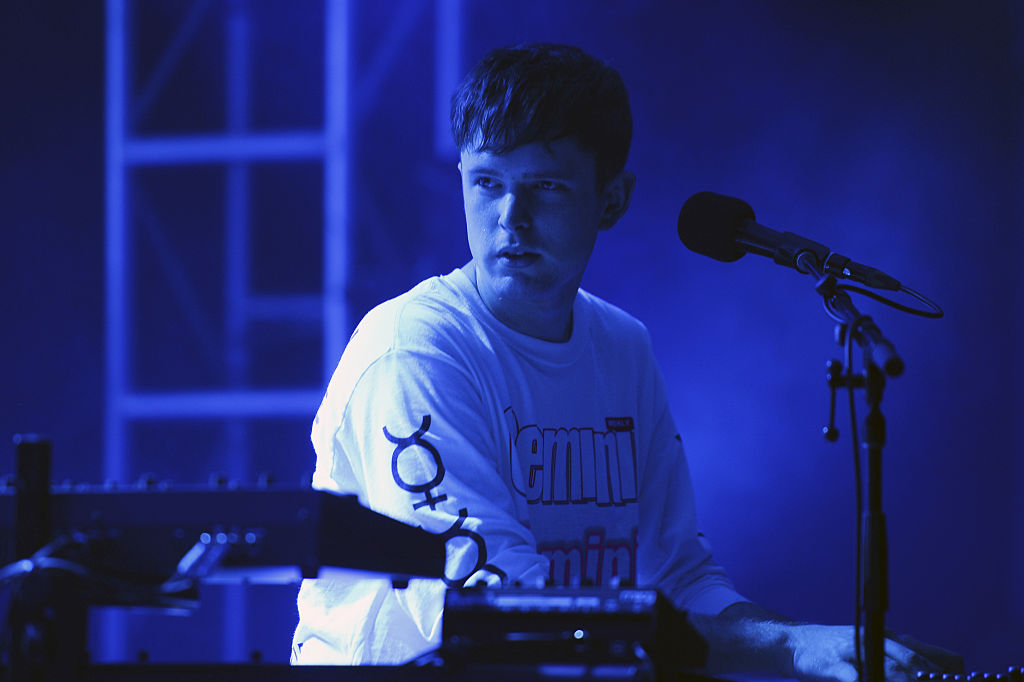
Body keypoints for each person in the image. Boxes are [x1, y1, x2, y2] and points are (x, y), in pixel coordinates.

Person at [291, 42, 959, 680]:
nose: (511, 217)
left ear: (613, 199)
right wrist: (785, 649)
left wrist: (822, 649)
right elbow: (500, 614)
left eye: (546, 187)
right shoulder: (413, 349)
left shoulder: (621, 346)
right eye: (487, 182)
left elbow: (681, 577)